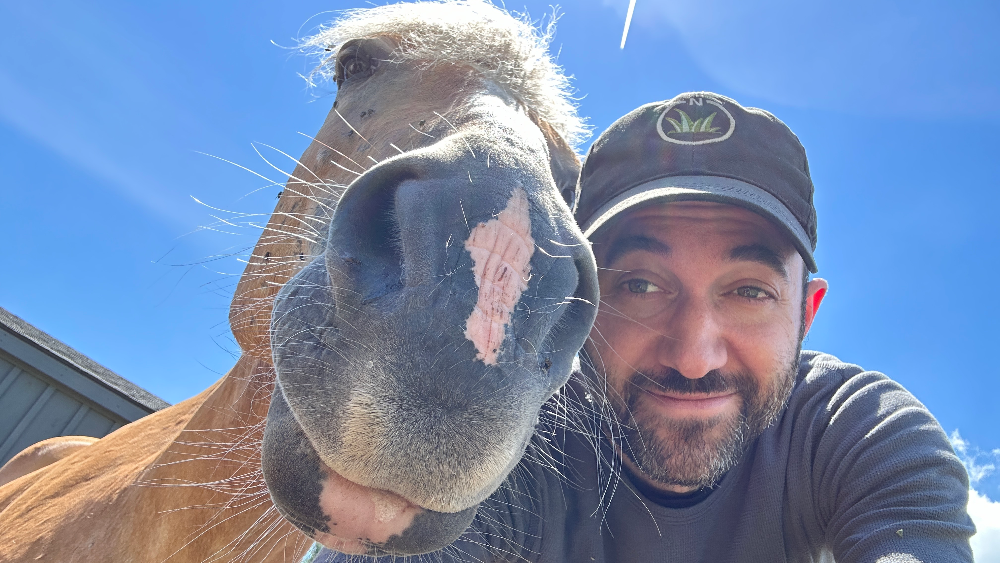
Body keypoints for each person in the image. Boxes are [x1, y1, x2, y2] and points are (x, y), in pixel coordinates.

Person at [317, 92, 976, 562]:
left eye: (748, 291)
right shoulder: (512, 433)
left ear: (804, 314)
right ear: (583, 304)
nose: (694, 354)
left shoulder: (858, 430)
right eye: (640, 286)